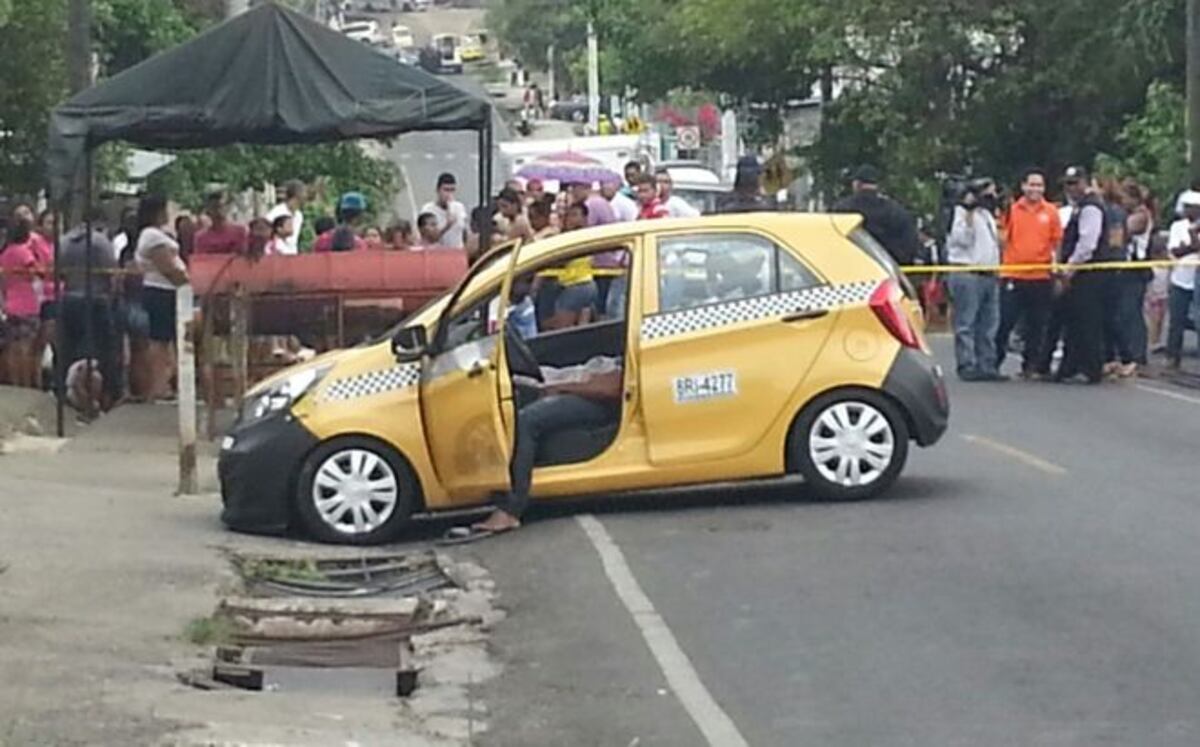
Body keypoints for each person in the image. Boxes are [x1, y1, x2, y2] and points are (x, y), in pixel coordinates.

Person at [456, 354, 624, 537]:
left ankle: (510, 510)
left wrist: (560, 387)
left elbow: (613, 387)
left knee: (524, 421)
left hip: (600, 402)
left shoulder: (640, 342)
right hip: (583, 384)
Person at [996, 168, 1063, 378]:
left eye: (1039, 185)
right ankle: (994, 362)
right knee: (1005, 322)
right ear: (1023, 186)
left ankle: (1031, 366)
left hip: (1041, 276)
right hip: (1013, 275)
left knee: (1038, 324)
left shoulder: (1051, 212)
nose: (1035, 189)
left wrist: (1057, 269)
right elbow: (1002, 239)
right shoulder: (1012, 210)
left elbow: (1057, 242)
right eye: (1031, 184)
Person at [59, 209, 121, 412]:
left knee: (69, 350)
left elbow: (59, 272)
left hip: (69, 299)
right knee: (98, 354)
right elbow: (111, 274)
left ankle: (66, 394)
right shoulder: (101, 242)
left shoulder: (65, 241)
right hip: (96, 301)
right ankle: (97, 398)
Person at [945, 179, 1006, 381]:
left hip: (989, 273)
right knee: (967, 322)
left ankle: (987, 364)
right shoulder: (959, 213)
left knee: (989, 323)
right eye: (986, 194)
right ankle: (967, 364)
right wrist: (968, 210)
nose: (991, 198)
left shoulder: (987, 215)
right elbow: (960, 239)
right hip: (967, 273)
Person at [1053, 166, 1109, 384]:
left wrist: (1069, 269)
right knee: (1075, 321)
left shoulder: (1090, 207)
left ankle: (1092, 368)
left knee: (1088, 322)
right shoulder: (1079, 207)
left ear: (1085, 182)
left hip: (1088, 275)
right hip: (1081, 274)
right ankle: (1071, 365)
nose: (1070, 188)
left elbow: (1087, 244)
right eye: (1067, 183)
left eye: (1074, 183)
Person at [134, 194, 189, 401]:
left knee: (167, 341)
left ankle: (167, 383)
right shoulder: (151, 236)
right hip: (161, 291)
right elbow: (168, 267)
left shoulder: (157, 234)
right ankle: (159, 385)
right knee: (160, 341)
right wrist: (186, 282)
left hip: (165, 291)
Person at [832, 165, 920, 265]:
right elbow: (910, 242)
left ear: (857, 184)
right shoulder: (896, 210)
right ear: (877, 185)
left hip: (851, 267)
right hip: (888, 269)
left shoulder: (842, 209)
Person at [0, 210, 44, 388]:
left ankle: (14, 383)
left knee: (12, 346)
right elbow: (38, 272)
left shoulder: (5, 254)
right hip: (27, 304)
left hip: (10, 303)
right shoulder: (24, 253)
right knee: (27, 348)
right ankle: (26, 385)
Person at [1164, 190, 1200, 369]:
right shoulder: (1177, 226)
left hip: (1197, 279)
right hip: (1180, 278)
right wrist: (1192, 246)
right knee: (1176, 320)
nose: (1190, 211)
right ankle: (1173, 356)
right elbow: (1175, 251)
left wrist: (1192, 242)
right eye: (1187, 207)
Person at [420, 172, 468, 249]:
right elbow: (429, 239)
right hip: (439, 255)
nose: (449, 194)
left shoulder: (459, 207)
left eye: (452, 190)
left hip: (457, 253)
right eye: (446, 190)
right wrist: (447, 225)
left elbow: (464, 233)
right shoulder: (428, 209)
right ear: (438, 190)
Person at [193, 190, 249, 255]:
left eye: (221, 207)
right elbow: (200, 261)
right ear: (208, 211)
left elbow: (244, 258)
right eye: (214, 208)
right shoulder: (200, 238)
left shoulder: (240, 232)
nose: (218, 211)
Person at [265, 180, 306, 255]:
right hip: (277, 253)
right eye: (298, 199)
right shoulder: (276, 213)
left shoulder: (299, 216)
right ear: (292, 198)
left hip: (292, 254)